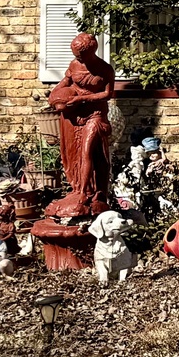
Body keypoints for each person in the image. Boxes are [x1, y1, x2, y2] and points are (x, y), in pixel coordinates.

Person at [44, 32, 115, 220]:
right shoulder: (74, 65)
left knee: (87, 152)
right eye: (75, 55)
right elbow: (66, 82)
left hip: (95, 115)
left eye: (80, 55)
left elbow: (107, 95)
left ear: (91, 52)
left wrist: (81, 98)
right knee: (72, 153)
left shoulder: (105, 69)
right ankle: (77, 189)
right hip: (73, 114)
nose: (77, 58)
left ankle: (86, 193)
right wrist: (56, 94)